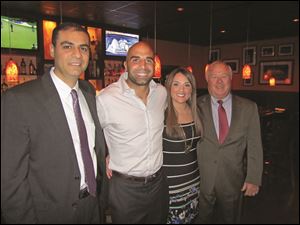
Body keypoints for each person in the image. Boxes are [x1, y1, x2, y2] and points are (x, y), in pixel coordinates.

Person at [1, 22, 107, 224]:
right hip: (50, 213)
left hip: (93, 205)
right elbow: (9, 179)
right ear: (52, 50)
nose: (77, 54)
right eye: (67, 46)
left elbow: (92, 146)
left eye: (83, 48)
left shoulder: (88, 92)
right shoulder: (19, 99)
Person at [96, 41, 169, 223]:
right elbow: (91, 135)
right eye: (136, 60)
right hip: (125, 188)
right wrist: (103, 155)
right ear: (126, 65)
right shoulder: (106, 99)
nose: (143, 66)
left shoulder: (161, 93)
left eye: (148, 60)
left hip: (158, 184)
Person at [196, 61, 263, 224]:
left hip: (233, 180)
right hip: (200, 180)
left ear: (231, 78)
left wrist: (254, 178)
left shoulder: (249, 108)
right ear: (207, 79)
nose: (219, 81)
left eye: (224, 76)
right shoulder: (194, 106)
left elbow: (255, 145)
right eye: (214, 76)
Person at [163, 67, 203, 224]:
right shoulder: (160, 112)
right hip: (171, 187)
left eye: (187, 85)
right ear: (169, 87)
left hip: (193, 183)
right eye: (176, 84)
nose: (182, 89)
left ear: (192, 89)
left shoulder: (196, 111)